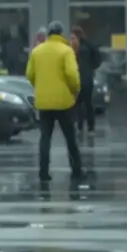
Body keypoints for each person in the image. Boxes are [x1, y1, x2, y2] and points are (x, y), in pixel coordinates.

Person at [27, 21, 87, 182]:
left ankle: (43, 172)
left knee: (45, 137)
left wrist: (39, 87)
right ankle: (76, 170)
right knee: (70, 138)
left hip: (44, 102)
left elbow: (29, 74)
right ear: (60, 33)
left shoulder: (37, 51)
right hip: (63, 101)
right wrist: (74, 91)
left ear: (48, 34)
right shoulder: (66, 51)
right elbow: (73, 75)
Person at [71, 26, 102, 133]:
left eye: (73, 36)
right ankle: (90, 126)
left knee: (78, 103)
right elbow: (97, 59)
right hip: (88, 77)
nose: (71, 38)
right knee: (88, 103)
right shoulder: (89, 45)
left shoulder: (76, 48)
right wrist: (92, 67)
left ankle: (80, 126)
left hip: (79, 77)